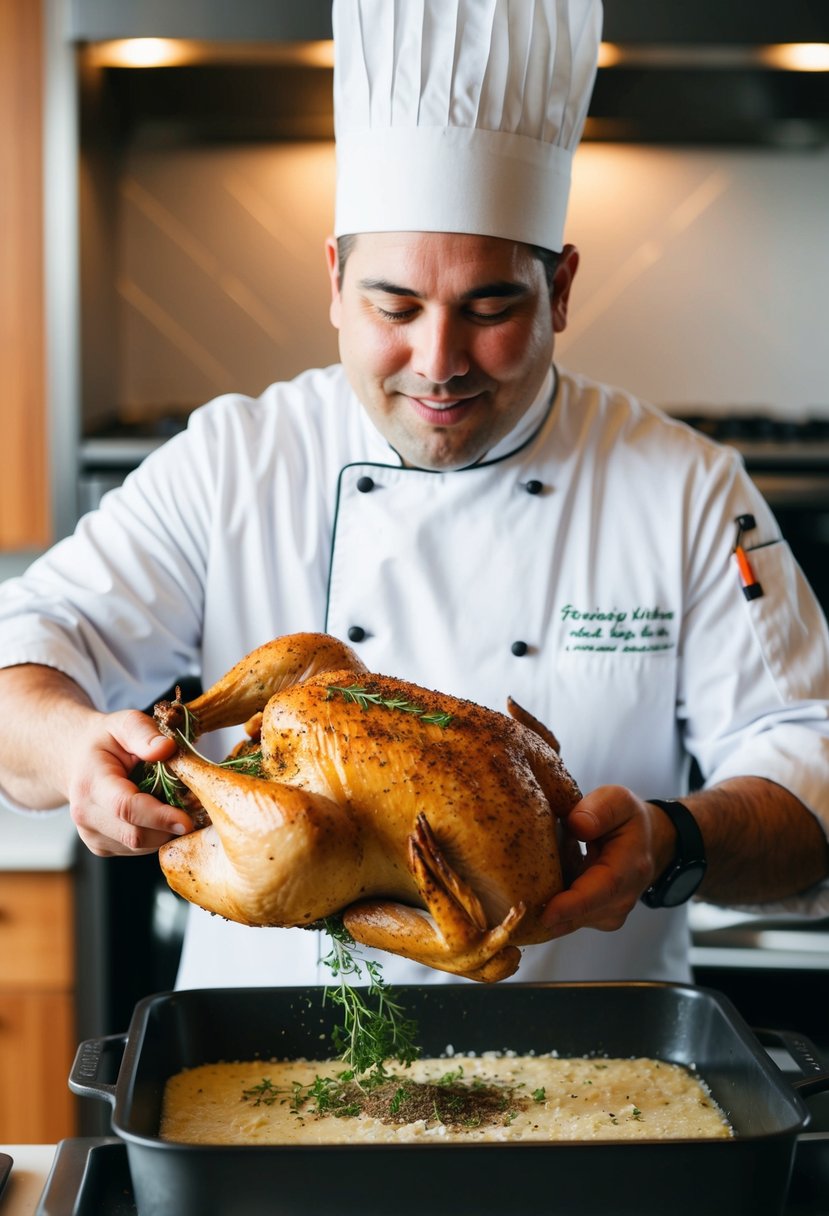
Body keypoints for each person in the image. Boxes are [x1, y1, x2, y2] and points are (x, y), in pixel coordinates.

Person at [0, 0, 828, 991]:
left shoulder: (684, 487)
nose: (437, 363)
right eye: (395, 306)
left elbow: (808, 773)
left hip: (585, 1080)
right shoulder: (236, 458)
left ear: (559, 290)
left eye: (490, 308)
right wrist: (75, 747)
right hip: (267, 1070)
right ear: (335, 282)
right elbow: (26, 651)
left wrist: (671, 838)